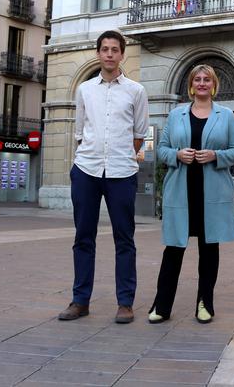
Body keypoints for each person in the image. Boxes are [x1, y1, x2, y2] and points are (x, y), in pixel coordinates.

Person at [58, 30, 149, 324]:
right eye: (104, 49)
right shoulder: (84, 90)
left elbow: (139, 134)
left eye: (114, 49)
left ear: (122, 54)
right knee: (83, 237)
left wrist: (122, 155)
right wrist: (88, 156)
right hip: (86, 170)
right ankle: (80, 300)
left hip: (122, 172)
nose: (109, 54)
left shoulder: (136, 91)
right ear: (98, 53)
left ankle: (125, 303)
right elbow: (80, 131)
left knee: (125, 239)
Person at [149, 64, 234, 324]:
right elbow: (162, 149)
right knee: (173, 250)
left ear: (214, 84)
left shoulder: (226, 115)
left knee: (209, 251)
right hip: (181, 191)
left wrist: (215, 156)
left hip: (211, 193)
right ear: (191, 84)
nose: (202, 83)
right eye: (197, 79)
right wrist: (177, 155)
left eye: (207, 79)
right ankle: (162, 305)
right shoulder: (176, 115)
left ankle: (205, 304)